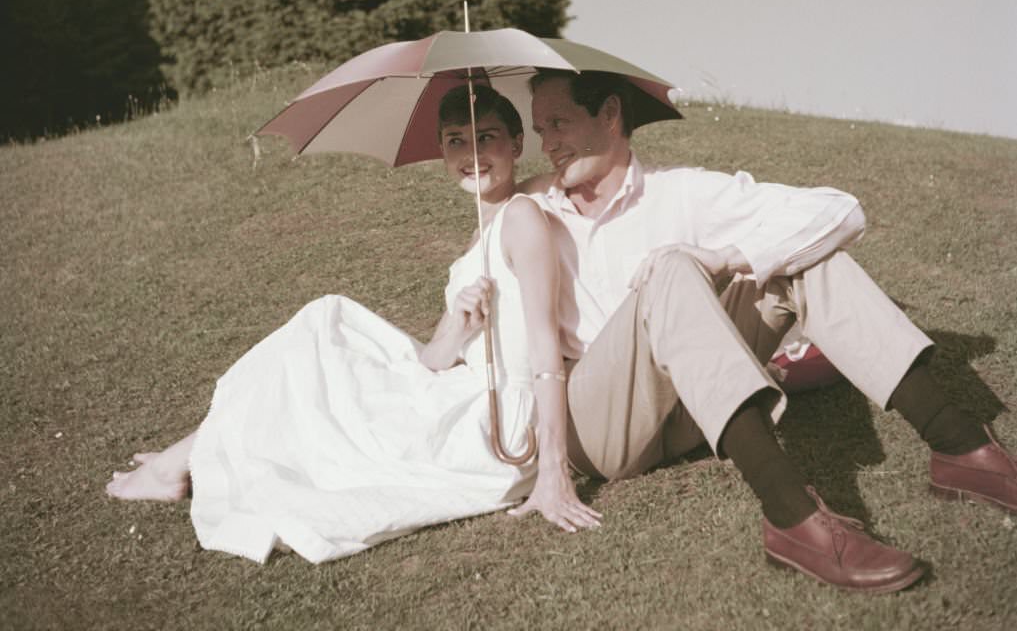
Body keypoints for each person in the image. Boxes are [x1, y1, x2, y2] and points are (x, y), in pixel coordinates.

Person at [524, 69, 1016, 594]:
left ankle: (960, 447)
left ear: (611, 113)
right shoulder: (530, 212)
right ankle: (790, 516)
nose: (548, 143)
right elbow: (464, 326)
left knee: (799, 256)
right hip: (600, 428)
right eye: (539, 130)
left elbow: (839, 211)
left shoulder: (680, 194)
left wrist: (727, 256)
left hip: (689, 403)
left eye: (559, 122)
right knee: (670, 268)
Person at [106, 85, 601, 563]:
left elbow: (543, 347)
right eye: (456, 142)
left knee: (325, 337)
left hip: (498, 425)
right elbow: (434, 359)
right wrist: (458, 323)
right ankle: (197, 453)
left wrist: (553, 469)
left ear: (516, 144)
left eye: (487, 137)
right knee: (319, 352)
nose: (472, 154)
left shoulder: (521, 219)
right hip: (455, 387)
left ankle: (181, 461)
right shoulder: (481, 232)